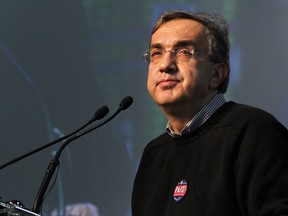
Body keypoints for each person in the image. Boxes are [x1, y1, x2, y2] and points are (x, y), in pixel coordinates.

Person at [132, 10, 288, 216]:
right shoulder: (154, 153)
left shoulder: (253, 130)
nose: (165, 65)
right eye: (156, 53)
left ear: (217, 74)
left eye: (184, 52)